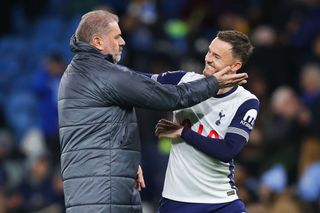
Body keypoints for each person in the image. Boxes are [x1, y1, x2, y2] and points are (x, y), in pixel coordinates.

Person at [57, 10, 248, 213]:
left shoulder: (80, 71)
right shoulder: (104, 75)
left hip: (98, 184)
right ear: (97, 42)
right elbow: (171, 97)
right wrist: (214, 83)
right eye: (117, 37)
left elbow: (98, 129)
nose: (122, 42)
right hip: (101, 192)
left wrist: (126, 163)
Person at [154, 30, 259, 213]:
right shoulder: (184, 81)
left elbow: (227, 150)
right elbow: (137, 81)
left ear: (235, 66)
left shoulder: (246, 102)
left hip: (222, 202)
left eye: (216, 56)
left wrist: (183, 132)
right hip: (177, 201)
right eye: (209, 51)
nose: (208, 58)